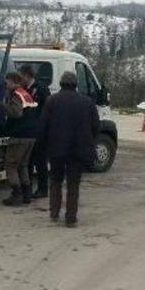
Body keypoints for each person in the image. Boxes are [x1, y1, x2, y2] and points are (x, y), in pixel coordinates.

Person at [42, 71, 100, 227]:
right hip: (78, 150)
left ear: (61, 84)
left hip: (56, 149)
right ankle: (71, 218)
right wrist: (89, 142)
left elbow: (44, 126)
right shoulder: (87, 102)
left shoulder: (51, 101)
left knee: (55, 181)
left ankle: (54, 212)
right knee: (73, 184)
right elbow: (96, 126)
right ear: (76, 84)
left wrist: (44, 146)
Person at [2, 71, 39, 206]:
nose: (5, 85)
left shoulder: (16, 94)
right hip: (31, 135)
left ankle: (16, 194)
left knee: (11, 165)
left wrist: (3, 106)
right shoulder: (26, 94)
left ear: (12, 81)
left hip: (19, 135)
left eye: (6, 82)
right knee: (23, 165)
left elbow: (16, 113)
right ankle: (27, 194)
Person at [19, 64, 51, 198]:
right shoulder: (23, 89)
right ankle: (27, 188)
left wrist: (43, 126)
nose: (20, 78)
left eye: (21, 75)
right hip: (28, 130)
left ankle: (43, 189)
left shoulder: (42, 89)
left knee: (40, 161)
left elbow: (48, 109)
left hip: (39, 131)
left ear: (27, 75)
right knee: (28, 162)